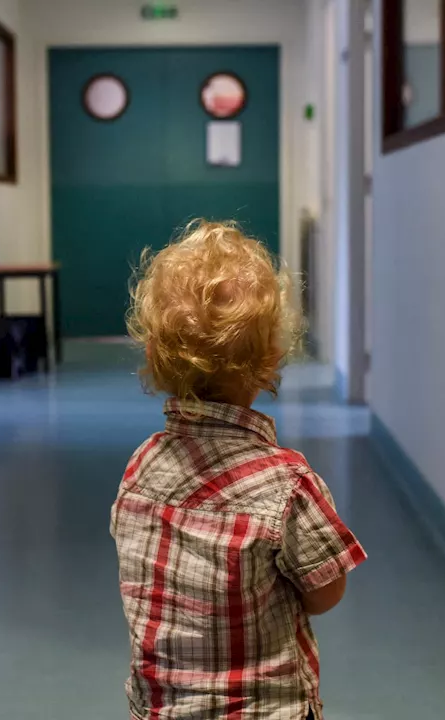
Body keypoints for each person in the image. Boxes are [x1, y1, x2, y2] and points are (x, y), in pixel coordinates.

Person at [111, 220, 367, 720]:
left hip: (160, 709)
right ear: (272, 358)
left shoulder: (140, 466)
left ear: (153, 355)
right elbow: (326, 593)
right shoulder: (287, 485)